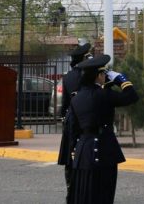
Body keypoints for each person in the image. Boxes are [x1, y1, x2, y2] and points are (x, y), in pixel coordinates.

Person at [67, 54, 138, 204]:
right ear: (98, 76)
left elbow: (73, 129)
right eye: (103, 74)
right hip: (104, 149)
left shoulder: (76, 97)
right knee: (104, 194)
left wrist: (75, 150)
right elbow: (131, 96)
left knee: (84, 194)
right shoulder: (104, 94)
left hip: (83, 151)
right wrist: (121, 80)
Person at [58, 42, 93, 203]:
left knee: (70, 159)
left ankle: (70, 193)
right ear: (85, 57)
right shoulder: (88, 74)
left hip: (72, 121)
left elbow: (64, 103)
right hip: (88, 122)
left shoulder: (68, 76)